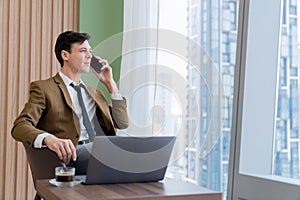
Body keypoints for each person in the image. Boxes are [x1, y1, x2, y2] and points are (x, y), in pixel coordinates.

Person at [11, 31, 129, 174]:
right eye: (83, 50)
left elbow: (122, 123)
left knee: (137, 150)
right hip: (70, 157)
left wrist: (110, 84)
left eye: (90, 51)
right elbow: (20, 126)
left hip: (101, 152)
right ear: (65, 55)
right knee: (109, 151)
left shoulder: (95, 93)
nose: (89, 55)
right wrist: (48, 139)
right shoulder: (44, 88)